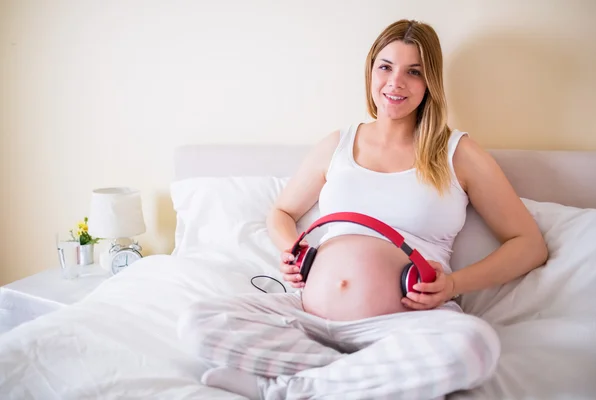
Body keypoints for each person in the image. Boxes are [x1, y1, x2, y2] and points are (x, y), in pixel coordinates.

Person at [177, 19, 549, 400]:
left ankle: (289, 388)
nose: (395, 82)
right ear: (371, 71)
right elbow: (281, 213)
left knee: (475, 347)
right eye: (385, 67)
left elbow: (529, 245)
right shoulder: (337, 144)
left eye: (413, 72)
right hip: (307, 318)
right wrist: (294, 250)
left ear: (430, 82)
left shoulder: (458, 153)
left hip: (404, 325)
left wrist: (454, 284)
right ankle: (353, 378)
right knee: (198, 322)